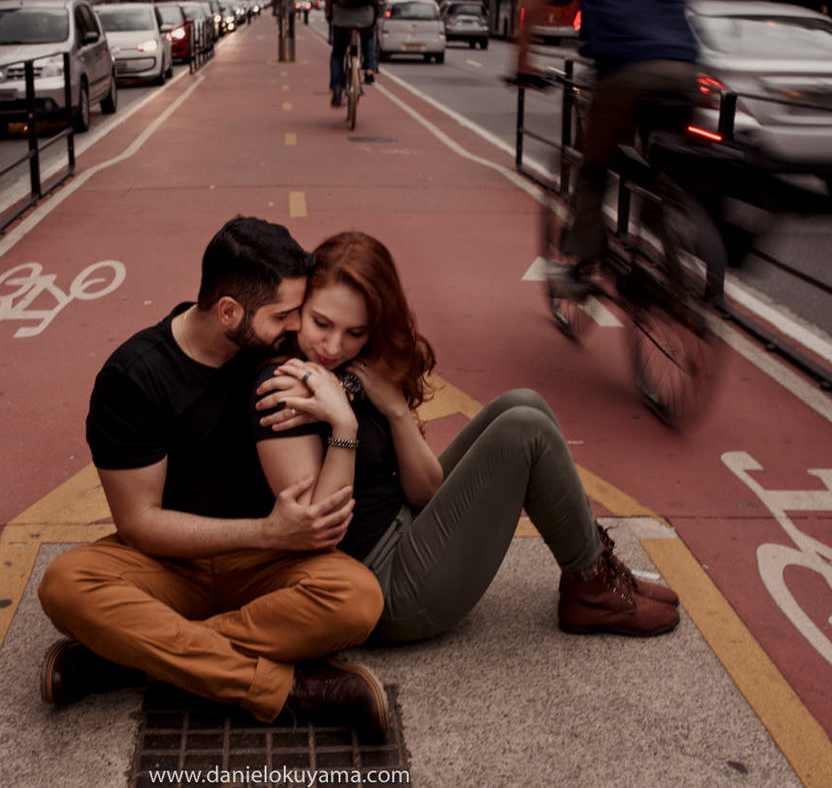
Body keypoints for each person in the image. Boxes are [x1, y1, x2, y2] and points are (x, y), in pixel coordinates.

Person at [36, 217, 391, 741]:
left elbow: (326, 507)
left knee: (358, 598)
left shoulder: (279, 361)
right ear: (230, 311)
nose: (296, 328)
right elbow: (139, 526)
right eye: (283, 315)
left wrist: (344, 418)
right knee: (65, 584)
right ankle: (284, 690)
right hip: (171, 562)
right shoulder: (133, 378)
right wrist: (269, 532)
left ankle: (124, 657)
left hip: (266, 567)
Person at [249, 231, 681, 643]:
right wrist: (343, 419)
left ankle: (593, 568)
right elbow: (315, 528)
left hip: (408, 528)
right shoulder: (286, 385)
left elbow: (427, 493)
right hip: (386, 590)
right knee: (523, 433)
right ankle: (591, 587)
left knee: (522, 404)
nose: (333, 345)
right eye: (321, 323)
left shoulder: (356, 369)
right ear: (299, 307)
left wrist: (395, 408)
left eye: (355, 332)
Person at [516, 0, 700, 301]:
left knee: (592, 169)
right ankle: (676, 272)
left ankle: (581, 267)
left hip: (624, 70)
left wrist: (522, 62)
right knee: (658, 172)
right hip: (683, 73)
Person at [326, 0, 380, 108]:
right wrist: (375, 11)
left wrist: (329, 15)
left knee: (337, 54)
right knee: (368, 36)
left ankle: (338, 88)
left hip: (342, 17)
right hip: (365, 15)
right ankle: (369, 69)